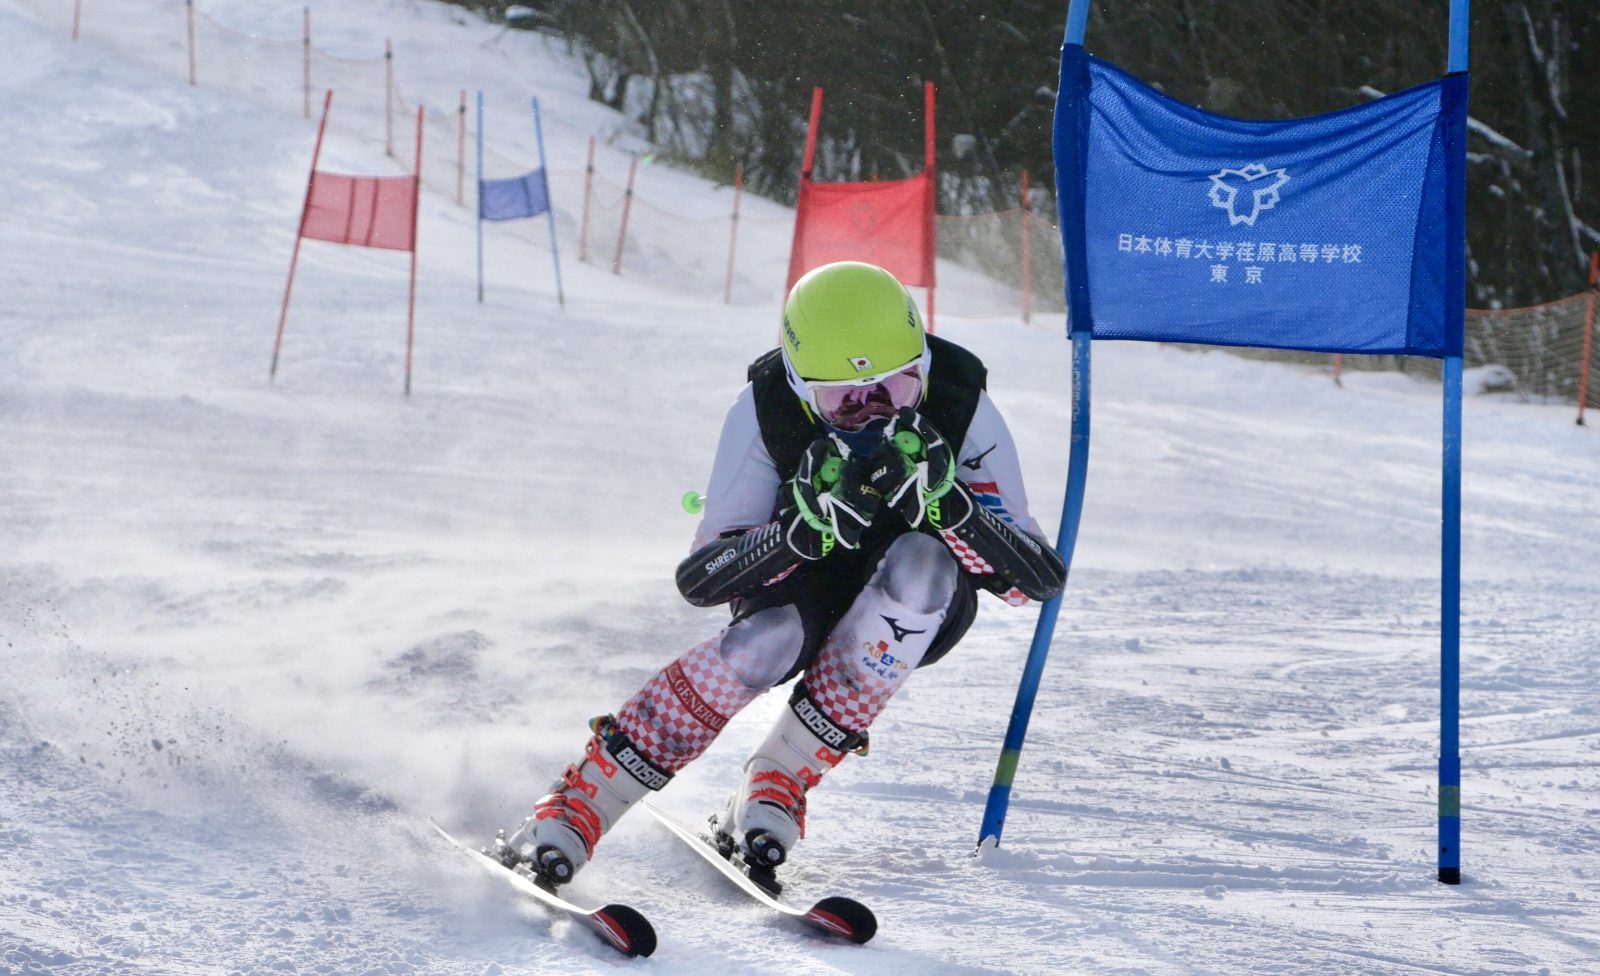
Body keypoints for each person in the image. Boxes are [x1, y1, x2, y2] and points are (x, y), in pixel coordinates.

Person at [496, 260, 1066, 890]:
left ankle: (782, 775)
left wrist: (951, 506)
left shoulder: (960, 404)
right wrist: (799, 530)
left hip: (915, 599)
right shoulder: (765, 409)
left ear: (923, 365)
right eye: (843, 399)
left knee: (925, 567)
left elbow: (1032, 581)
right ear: (800, 384)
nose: (874, 411)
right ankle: (586, 798)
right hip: (797, 587)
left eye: (899, 388)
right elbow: (704, 580)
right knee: (766, 641)